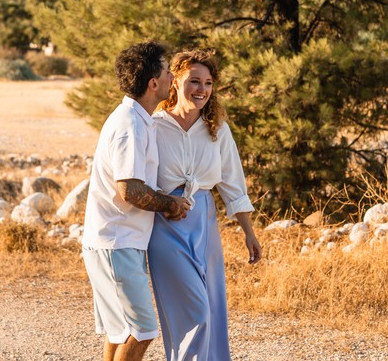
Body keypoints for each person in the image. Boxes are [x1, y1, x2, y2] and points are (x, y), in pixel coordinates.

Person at [147, 49, 262, 361]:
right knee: (194, 313)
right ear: (174, 81)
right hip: (164, 227)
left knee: (211, 311)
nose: (201, 89)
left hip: (204, 225)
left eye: (208, 83)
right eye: (194, 81)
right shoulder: (154, 126)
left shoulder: (217, 128)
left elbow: (232, 184)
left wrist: (248, 233)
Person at [82, 41, 192, 361]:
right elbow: (129, 189)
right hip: (117, 244)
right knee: (143, 330)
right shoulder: (130, 125)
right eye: (167, 71)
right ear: (153, 83)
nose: (173, 77)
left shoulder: (136, 118)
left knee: (121, 332)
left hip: (116, 243)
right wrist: (170, 205)